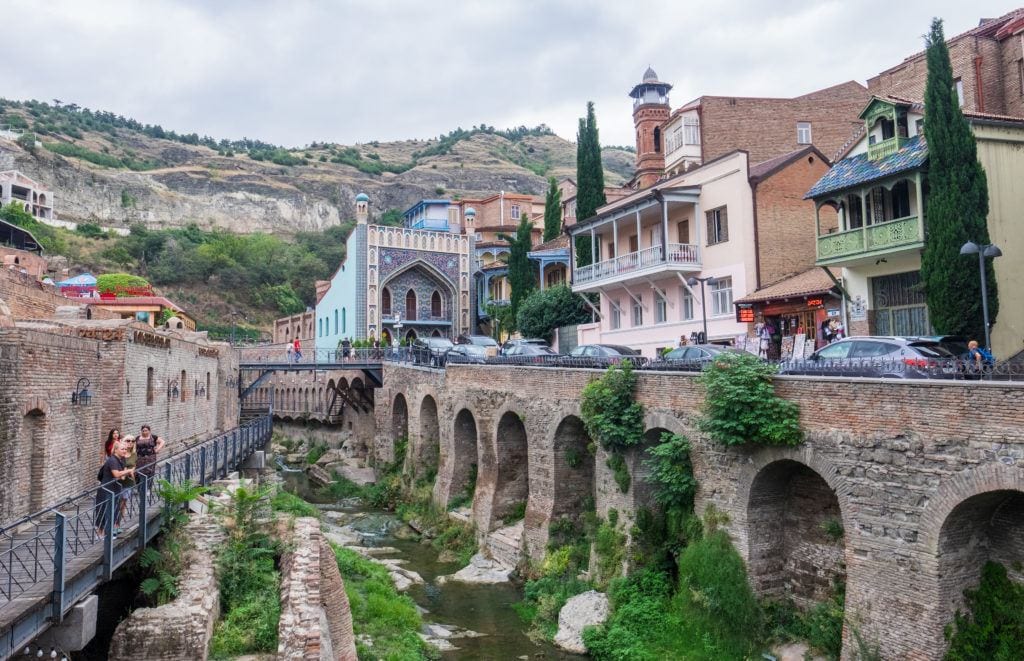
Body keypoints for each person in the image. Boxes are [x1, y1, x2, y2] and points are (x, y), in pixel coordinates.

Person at [95, 441, 135, 538]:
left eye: (125, 449)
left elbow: (122, 478)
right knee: (103, 510)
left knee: (114, 510)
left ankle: (109, 532)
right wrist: (129, 470)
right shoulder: (112, 460)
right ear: (116, 450)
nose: (124, 451)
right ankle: (101, 534)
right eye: (122, 449)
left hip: (115, 488)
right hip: (106, 489)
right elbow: (116, 474)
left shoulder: (121, 460)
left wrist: (127, 473)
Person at [117, 435, 137, 527]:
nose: (130, 443)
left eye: (133, 441)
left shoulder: (134, 454)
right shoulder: (120, 453)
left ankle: (118, 524)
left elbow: (134, 467)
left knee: (123, 503)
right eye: (128, 440)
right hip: (118, 480)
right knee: (116, 502)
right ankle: (111, 524)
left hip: (128, 481)